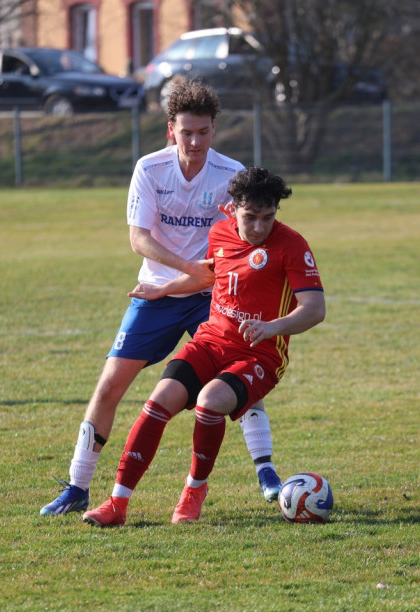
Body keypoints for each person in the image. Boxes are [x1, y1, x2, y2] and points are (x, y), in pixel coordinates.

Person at [40, 79, 285, 517]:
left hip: (213, 298)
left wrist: (213, 276)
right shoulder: (150, 169)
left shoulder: (231, 175)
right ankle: (78, 485)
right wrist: (189, 269)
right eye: (186, 132)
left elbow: (247, 236)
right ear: (170, 129)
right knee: (110, 385)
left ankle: (266, 472)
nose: (195, 141)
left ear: (214, 129)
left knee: (239, 379)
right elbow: (139, 238)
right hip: (155, 292)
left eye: (204, 132)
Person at [83, 166, 325, 526]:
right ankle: (117, 503)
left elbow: (315, 309)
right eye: (250, 217)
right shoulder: (220, 232)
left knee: (209, 403)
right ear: (235, 208)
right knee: (157, 402)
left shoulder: (292, 246)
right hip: (210, 341)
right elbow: (211, 273)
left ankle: (194, 490)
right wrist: (163, 289)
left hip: (259, 354)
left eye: (268, 217)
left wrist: (272, 327)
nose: (259, 227)